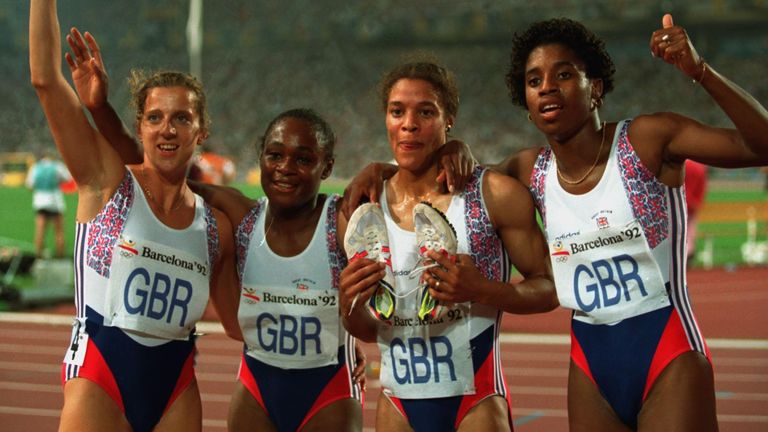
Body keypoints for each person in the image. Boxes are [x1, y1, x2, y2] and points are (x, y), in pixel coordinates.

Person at [64, 29, 368, 431]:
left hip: (327, 389)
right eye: (274, 155)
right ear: (260, 159)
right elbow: (149, 166)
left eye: (303, 159)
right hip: (256, 390)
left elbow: (377, 315)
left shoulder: (341, 220)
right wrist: (100, 110)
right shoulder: (238, 214)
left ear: (325, 167)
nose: (285, 168)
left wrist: (382, 169)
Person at [30, 2, 240, 431]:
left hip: (175, 385)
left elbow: (239, 325)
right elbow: (46, 81)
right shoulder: (107, 182)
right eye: (155, 118)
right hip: (101, 372)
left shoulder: (215, 228)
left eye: (182, 118)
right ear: (140, 127)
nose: (167, 129)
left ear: (201, 132)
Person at [339, 60, 557, 432]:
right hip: (397, 405)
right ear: (386, 119)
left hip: (475, 404)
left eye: (426, 112)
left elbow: (550, 288)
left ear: (448, 119)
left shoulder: (492, 195)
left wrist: (481, 289)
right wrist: (348, 307)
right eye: (397, 112)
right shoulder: (363, 212)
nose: (409, 124)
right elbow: (369, 328)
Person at [26, 150, 72, 258]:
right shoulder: (57, 166)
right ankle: (60, 256)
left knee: (40, 230)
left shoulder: (35, 167)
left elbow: (29, 185)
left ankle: (39, 255)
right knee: (59, 231)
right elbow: (68, 178)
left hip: (40, 201)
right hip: (55, 201)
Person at [684, 160, 708, 260]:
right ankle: (689, 251)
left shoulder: (682, 164)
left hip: (679, 202)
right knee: (690, 228)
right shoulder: (699, 167)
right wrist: (697, 201)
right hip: (691, 203)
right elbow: (702, 186)